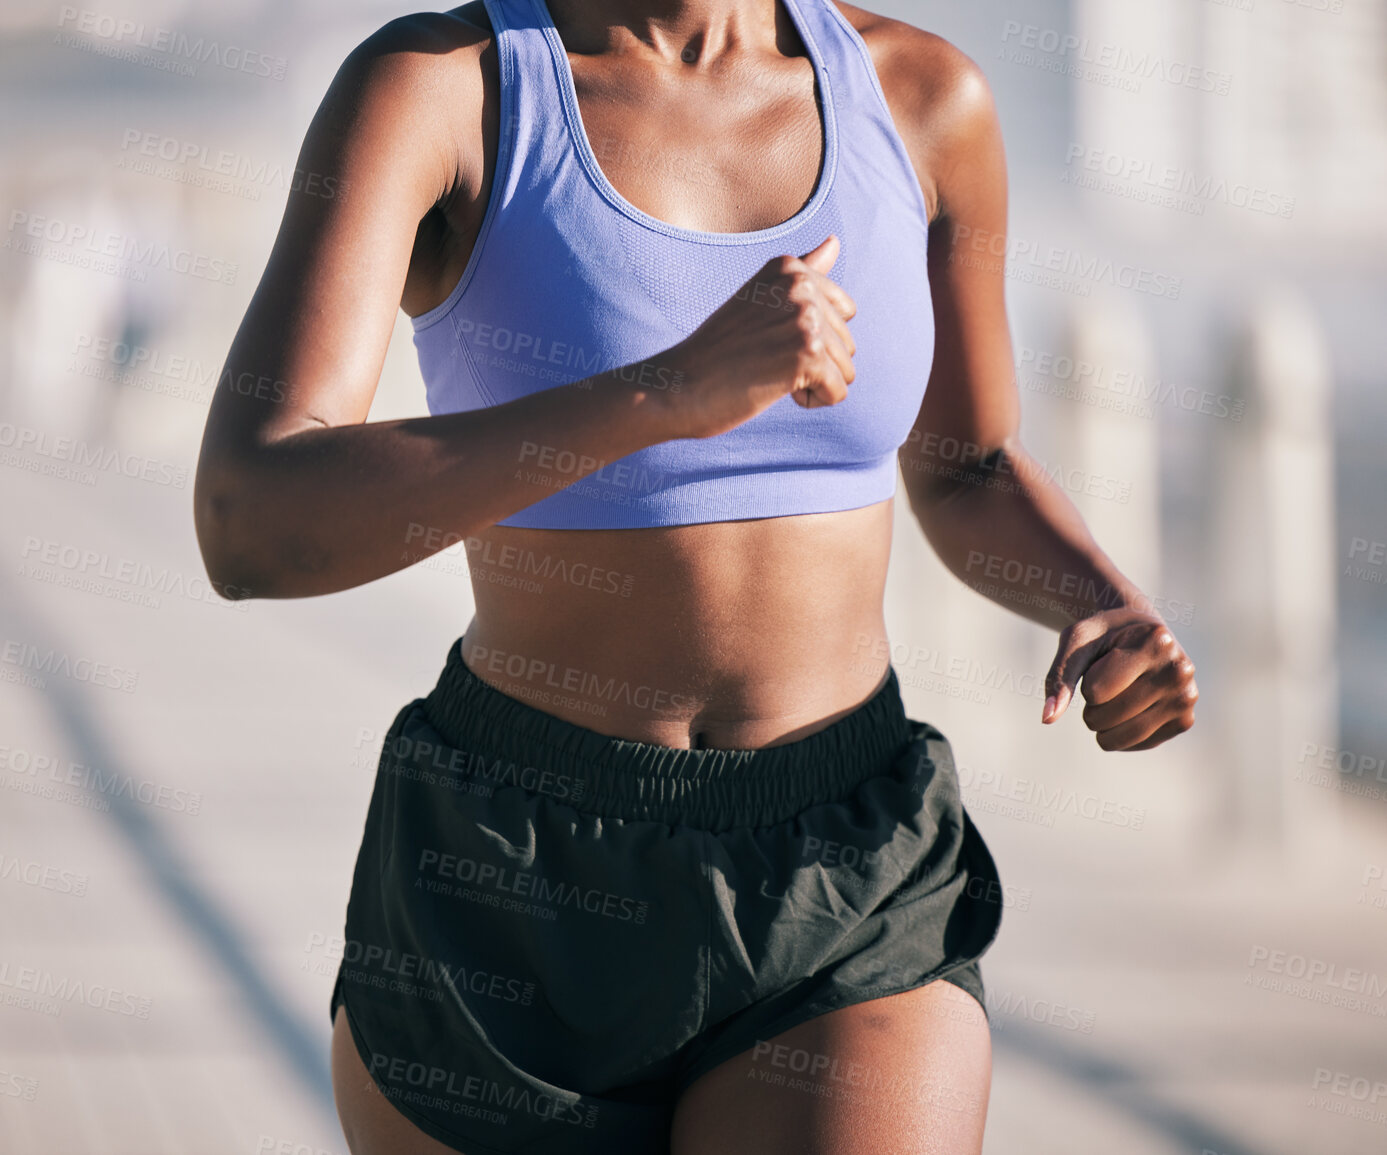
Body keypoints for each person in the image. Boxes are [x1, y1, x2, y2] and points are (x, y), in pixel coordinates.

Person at [192, 0, 1199, 1150]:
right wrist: (665, 393)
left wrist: (1098, 600)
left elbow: (965, 465)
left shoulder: (923, 97)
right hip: (514, 883)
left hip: (842, 864)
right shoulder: (442, 88)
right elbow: (250, 520)